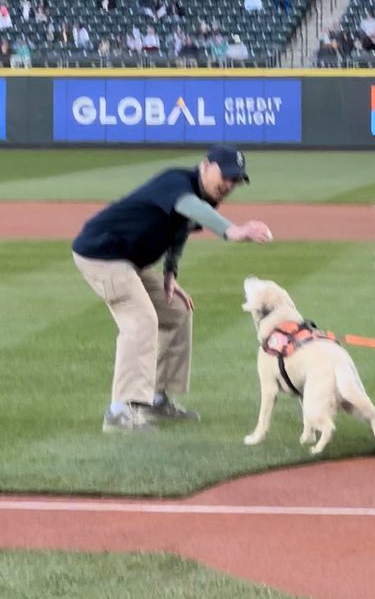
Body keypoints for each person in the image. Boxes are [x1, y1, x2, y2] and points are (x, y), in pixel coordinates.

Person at [71, 148, 274, 433]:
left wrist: (170, 272)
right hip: (101, 255)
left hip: (129, 261)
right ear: (205, 166)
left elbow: (180, 230)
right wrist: (232, 230)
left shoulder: (204, 198)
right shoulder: (176, 182)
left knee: (176, 311)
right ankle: (120, 411)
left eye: (236, 180)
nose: (229, 184)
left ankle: (156, 398)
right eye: (226, 176)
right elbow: (189, 207)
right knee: (140, 320)